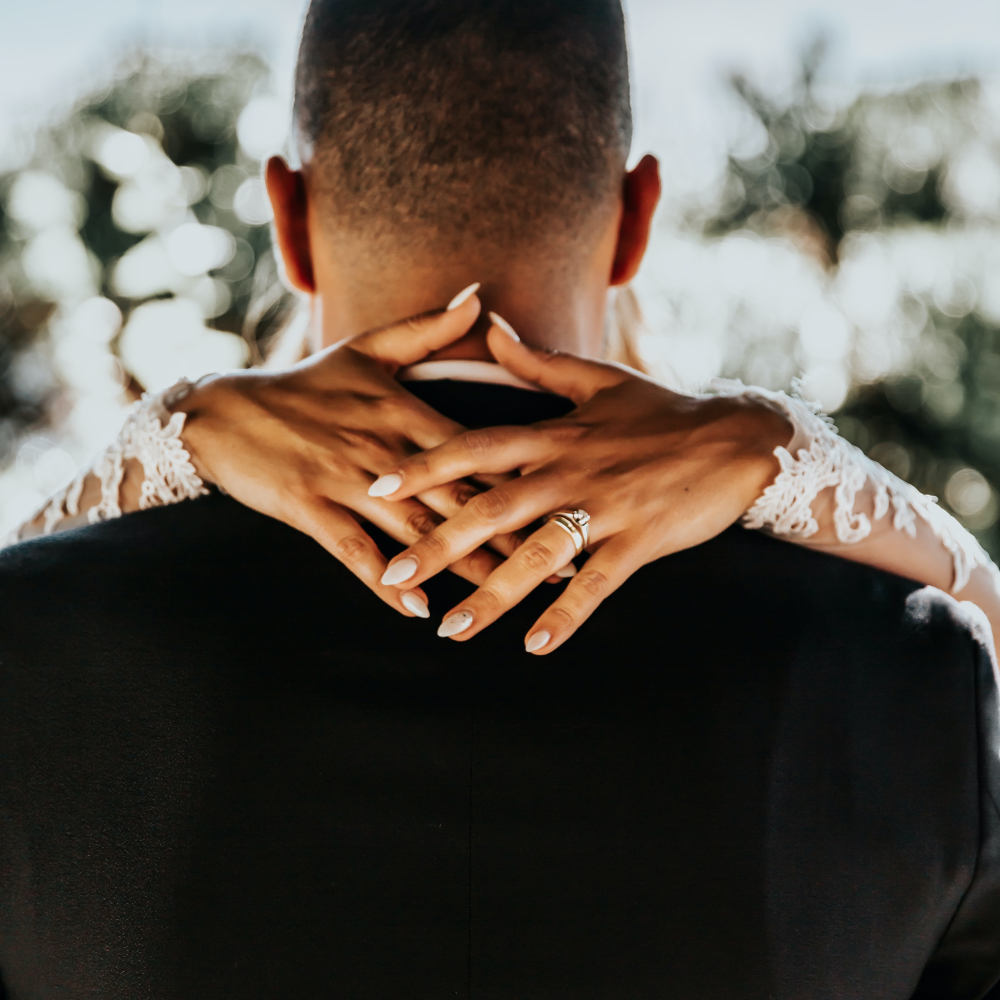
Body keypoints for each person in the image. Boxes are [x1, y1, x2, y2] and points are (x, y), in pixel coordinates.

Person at [1, 1, 999, 996]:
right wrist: (793, 457)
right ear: (636, 217)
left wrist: (167, 436)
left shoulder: (30, 646)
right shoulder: (925, 677)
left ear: (289, 220)